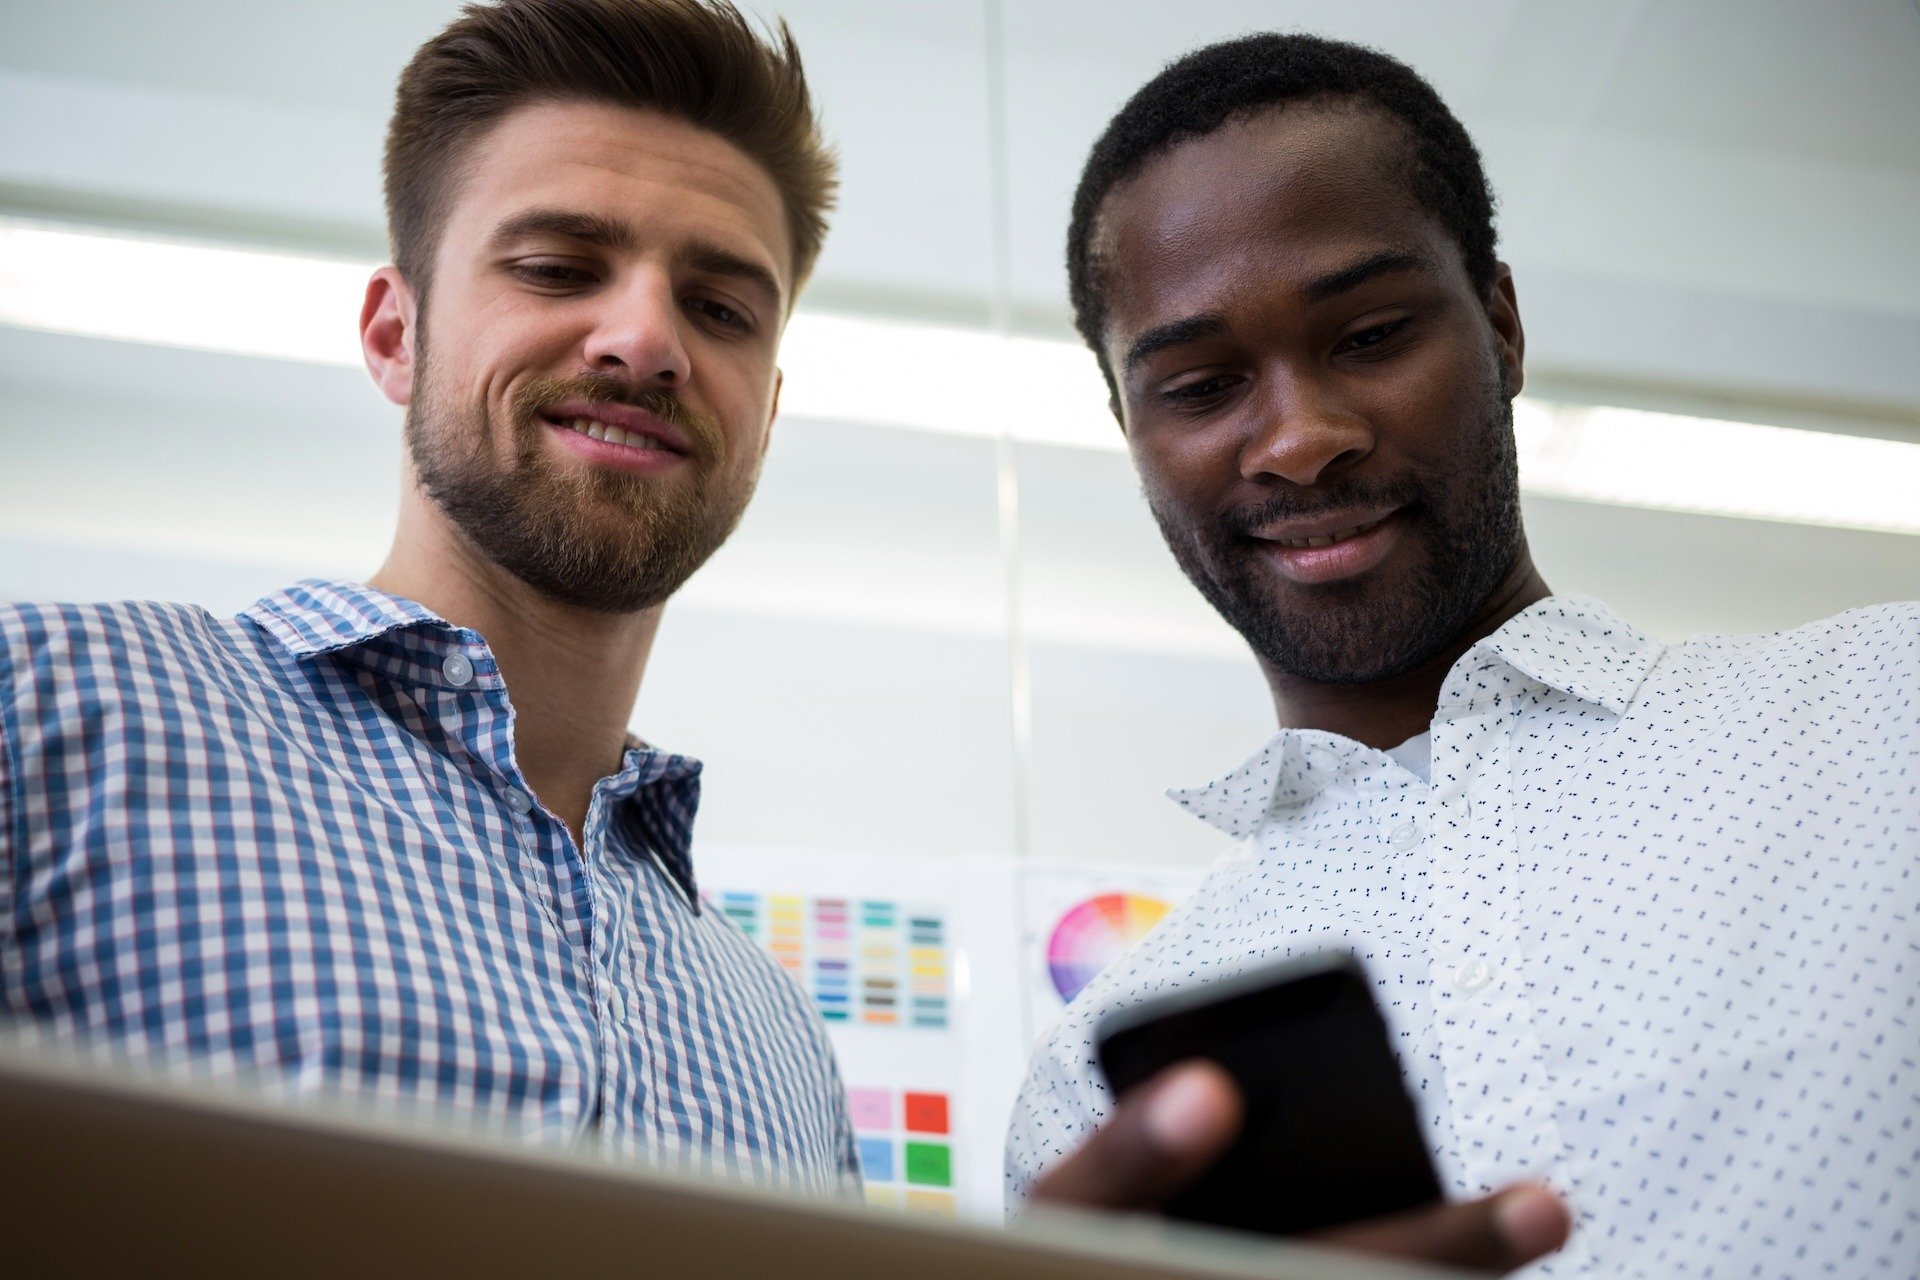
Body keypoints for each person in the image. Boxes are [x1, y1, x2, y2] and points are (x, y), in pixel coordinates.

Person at [1006, 31, 1917, 1278]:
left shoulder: (1887, 717)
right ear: (1129, 427)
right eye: (1205, 385)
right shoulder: (1099, 1085)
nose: (1301, 440)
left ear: (1500, 325)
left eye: (1371, 334)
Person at [0, 0, 855, 1193]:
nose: (647, 338)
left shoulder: (782, 1048)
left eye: (721, 309)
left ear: (765, 413)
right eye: (559, 267)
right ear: (396, 333)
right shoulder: (47, 712)